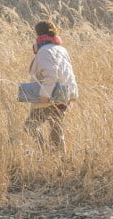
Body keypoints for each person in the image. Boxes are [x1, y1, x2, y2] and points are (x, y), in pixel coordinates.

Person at [24, 20, 78, 153]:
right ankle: (60, 161)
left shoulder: (44, 51)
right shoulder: (61, 49)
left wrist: (44, 95)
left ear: (38, 34)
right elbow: (69, 73)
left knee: (30, 126)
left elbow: (51, 75)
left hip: (49, 97)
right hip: (63, 95)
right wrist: (72, 95)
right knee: (56, 130)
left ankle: (44, 152)